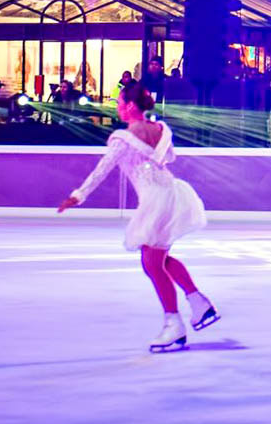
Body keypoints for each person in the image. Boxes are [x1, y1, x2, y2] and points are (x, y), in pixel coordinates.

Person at [57, 84, 216, 351]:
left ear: (131, 105)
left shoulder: (123, 138)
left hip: (155, 199)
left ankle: (174, 326)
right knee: (158, 258)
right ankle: (198, 302)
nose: (117, 106)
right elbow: (171, 157)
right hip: (173, 193)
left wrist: (78, 195)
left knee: (153, 264)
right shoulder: (161, 130)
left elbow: (102, 170)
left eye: (120, 102)